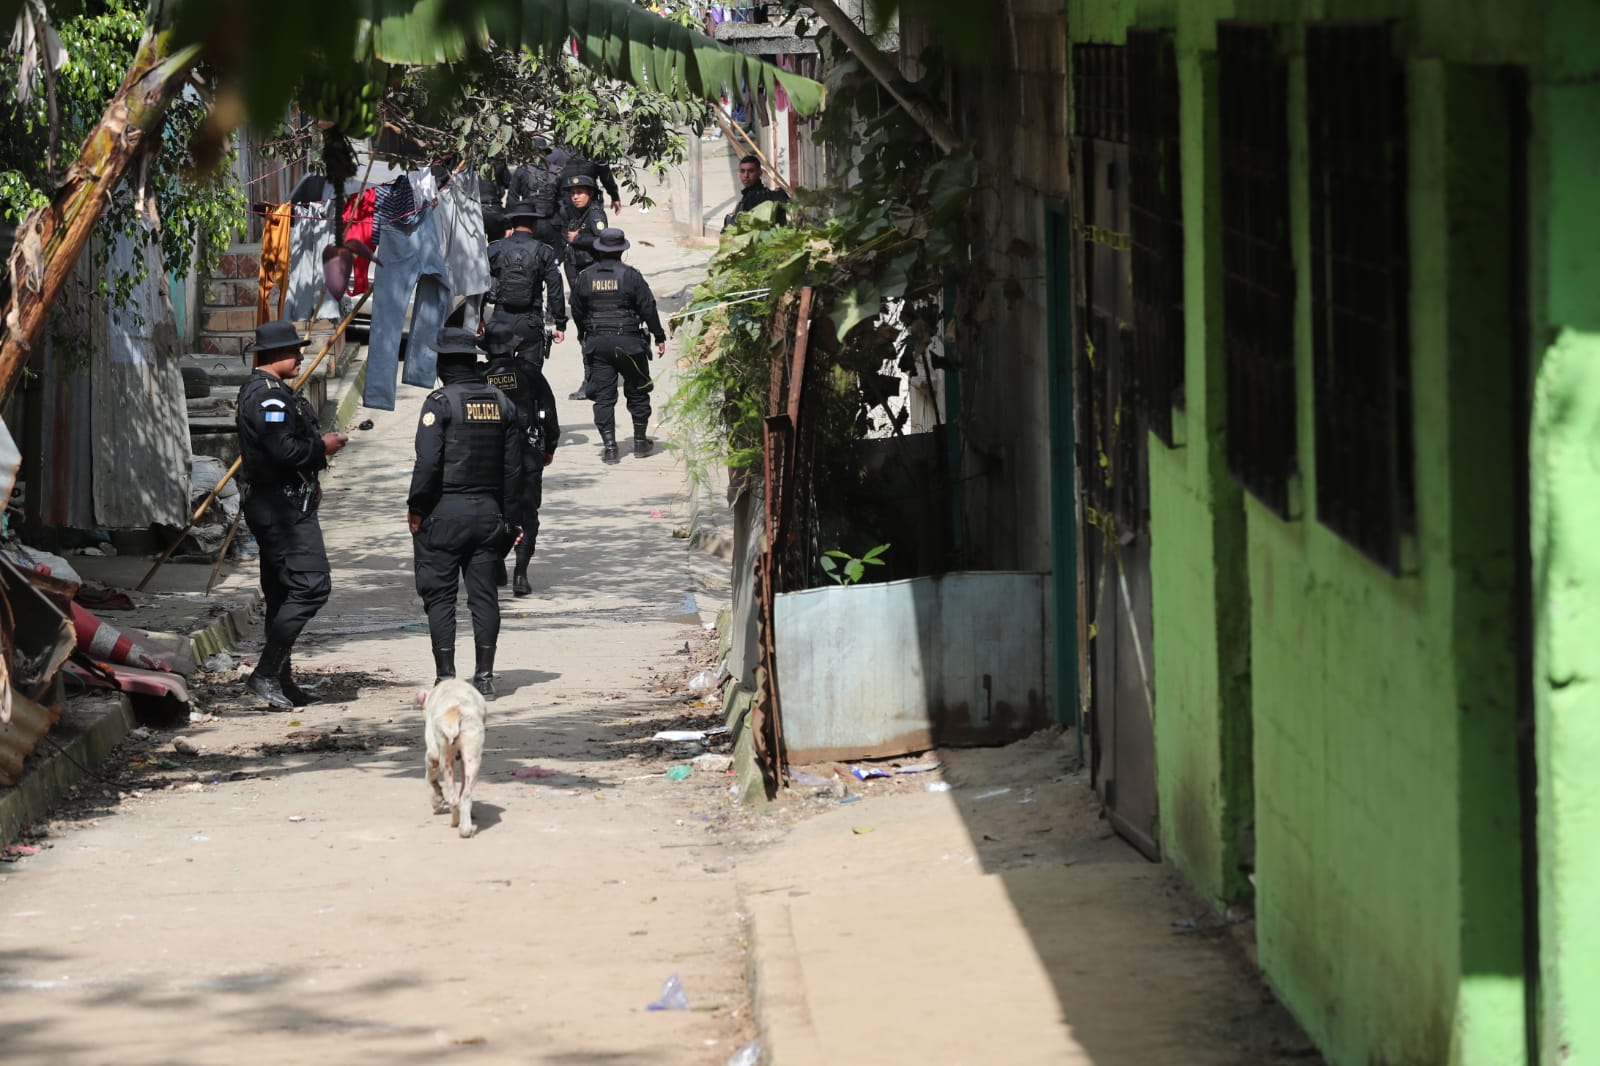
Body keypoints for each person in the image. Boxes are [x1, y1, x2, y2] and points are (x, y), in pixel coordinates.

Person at [235, 320, 348, 709]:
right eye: (293, 351)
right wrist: (322, 447)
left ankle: (280, 680)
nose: (301, 356)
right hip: (280, 510)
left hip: (285, 501)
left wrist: (310, 475)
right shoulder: (267, 397)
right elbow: (282, 451)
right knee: (312, 585)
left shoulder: (272, 392)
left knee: (283, 593)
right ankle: (264, 675)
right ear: (271, 355)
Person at [407, 328, 525, 698]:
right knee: (484, 596)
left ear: (443, 364)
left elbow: (428, 463)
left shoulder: (439, 403)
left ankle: (445, 677)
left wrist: (417, 508)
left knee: (440, 597)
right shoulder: (501, 403)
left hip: (443, 514)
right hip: (488, 514)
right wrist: (510, 520)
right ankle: (485, 677)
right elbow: (513, 469)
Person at [569, 228, 667, 463]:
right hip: (630, 343)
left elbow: (577, 309)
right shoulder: (631, 276)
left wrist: (584, 334)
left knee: (603, 397)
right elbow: (648, 307)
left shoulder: (585, 276)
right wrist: (659, 335)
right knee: (639, 391)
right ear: (622, 250)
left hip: (598, 343)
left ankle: (611, 448)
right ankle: (641, 442)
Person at [482, 321, 560, 596]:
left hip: (489, 459)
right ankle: (521, 574)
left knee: (494, 514)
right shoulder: (529, 373)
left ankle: (496, 565)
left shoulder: (479, 376)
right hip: (527, 454)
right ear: (513, 348)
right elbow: (548, 412)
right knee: (527, 515)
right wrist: (550, 446)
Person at [486, 201, 567, 368]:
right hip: (530, 322)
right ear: (535, 223)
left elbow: (479, 284)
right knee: (531, 378)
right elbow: (555, 289)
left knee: (498, 375)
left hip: (500, 319)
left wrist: (478, 318)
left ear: (512, 223)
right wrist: (560, 323)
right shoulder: (544, 251)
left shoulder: (494, 249)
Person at [724, 154, 790, 229]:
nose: (746, 175)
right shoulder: (745, 198)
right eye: (742, 171)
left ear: (760, 173)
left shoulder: (765, 197)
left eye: (750, 171)